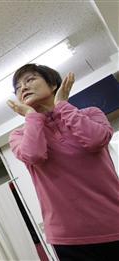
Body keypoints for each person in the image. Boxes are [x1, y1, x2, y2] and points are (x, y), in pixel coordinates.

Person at [7, 63, 119, 260]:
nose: (22, 88)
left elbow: (95, 140)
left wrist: (62, 106)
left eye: (30, 79)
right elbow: (34, 155)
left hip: (113, 222)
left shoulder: (91, 114)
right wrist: (32, 117)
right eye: (17, 87)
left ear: (52, 85)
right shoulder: (19, 136)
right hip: (68, 237)